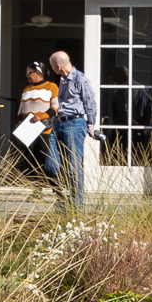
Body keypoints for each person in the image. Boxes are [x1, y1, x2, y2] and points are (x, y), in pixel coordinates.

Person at [46, 48, 96, 204]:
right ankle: (62, 196)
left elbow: (90, 102)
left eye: (52, 66)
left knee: (74, 167)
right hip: (59, 123)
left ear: (58, 66)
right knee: (51, 166)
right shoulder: (62, 80)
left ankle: (75, 205)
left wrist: (91, 124)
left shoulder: (81, 79)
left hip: (75, 123)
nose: (52, 69)